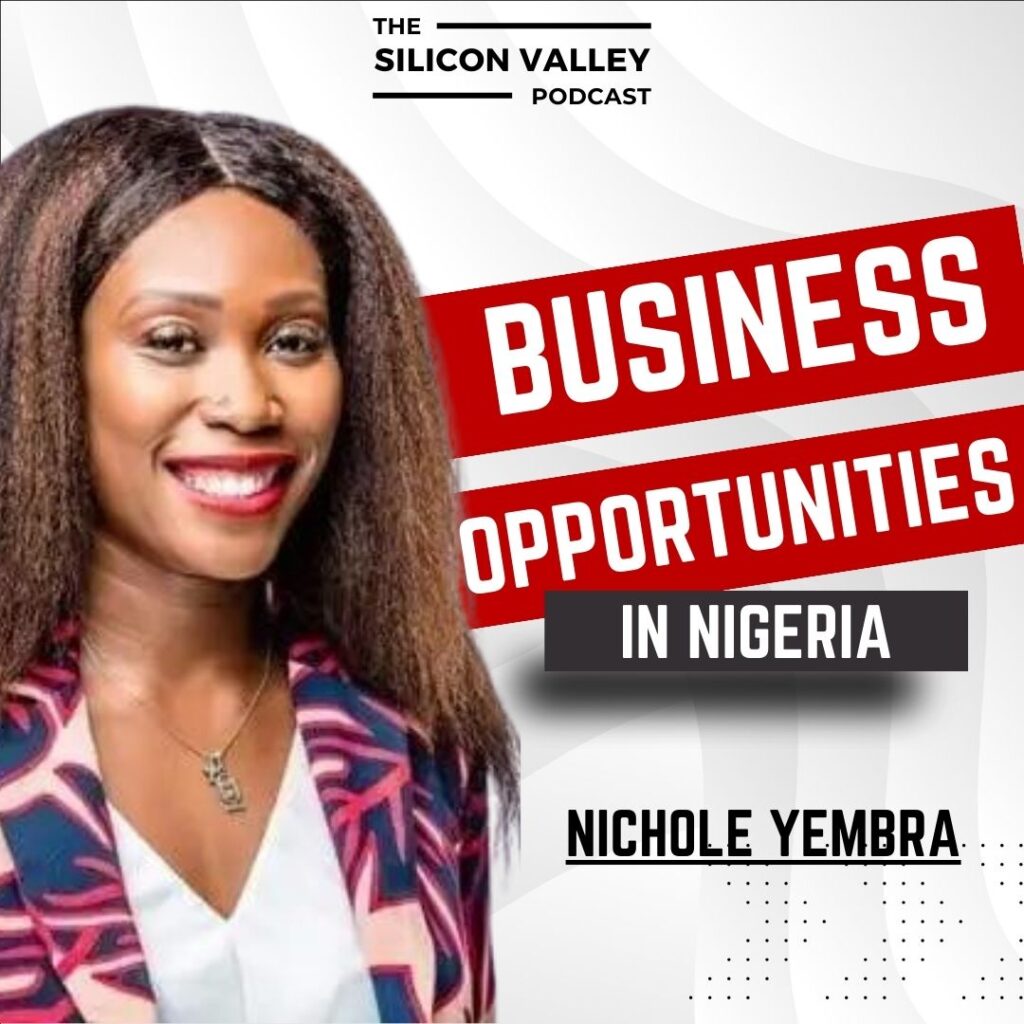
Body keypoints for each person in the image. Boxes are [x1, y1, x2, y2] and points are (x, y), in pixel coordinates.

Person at [0, 106, 518, 1024]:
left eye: (293, 341)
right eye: (172, 341)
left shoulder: (412, 737)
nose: (249, 401)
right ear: (42, 367)